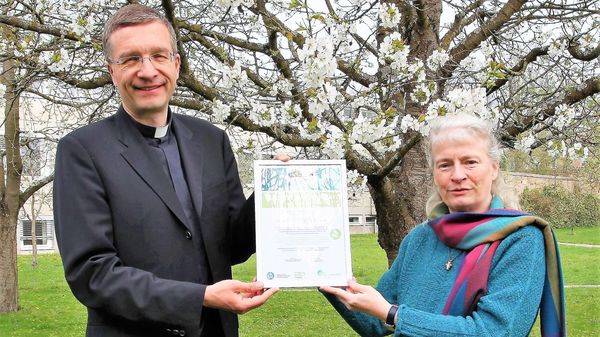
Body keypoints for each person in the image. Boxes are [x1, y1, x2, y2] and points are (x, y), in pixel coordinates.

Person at [53, 4, 281, 337]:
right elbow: (92, 274)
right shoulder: (82, 151)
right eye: (131, 59)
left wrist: (272, 193)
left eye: (159, 56)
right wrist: (200, 297)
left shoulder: (211, 140)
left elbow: (232, 246)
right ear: (112, 71)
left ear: (176, 63)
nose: (147, 71)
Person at [321, 113, 566, 337]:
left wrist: (394, 315)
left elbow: (496, 331)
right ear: (434, 173)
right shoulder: (420, 238)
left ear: (493, 169)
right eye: (445, 164)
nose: (457, 175)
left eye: (470, 162)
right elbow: (373, 321)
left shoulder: (521, 240)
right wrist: (316, 259)